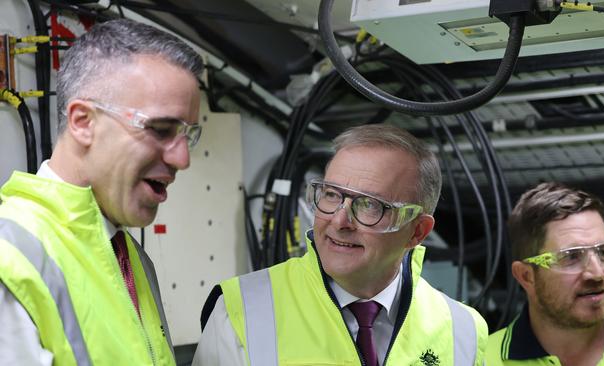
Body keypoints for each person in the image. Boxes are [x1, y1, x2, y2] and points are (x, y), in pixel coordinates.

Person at [193, 124, 488, 366]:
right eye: (332, 195)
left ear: (417, 231)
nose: (339, 220)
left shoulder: (463, 330)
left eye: (370, 205)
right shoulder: (240, 309)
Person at [0, 19, 203, 364]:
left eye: (187, 136)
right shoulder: (12, 258)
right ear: (83, 122)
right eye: (160, 129)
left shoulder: (132, 258)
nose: (181, 158)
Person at [486, 182, 604, 365]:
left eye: (603, 252)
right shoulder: (478, 360)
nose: (597, 273)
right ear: (526, 276)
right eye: (571, 256)